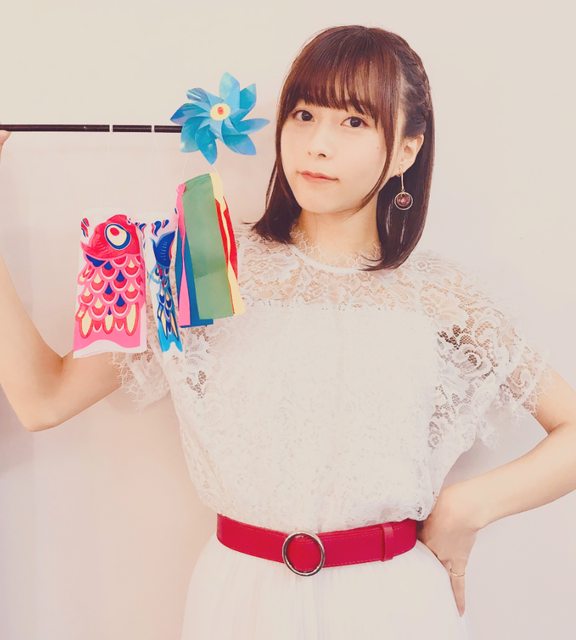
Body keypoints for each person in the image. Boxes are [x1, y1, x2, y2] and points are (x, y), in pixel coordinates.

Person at [1, 24, 575, 640]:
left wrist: (468, 508)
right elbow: (43, 398)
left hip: (396, 603)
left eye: (353, 121)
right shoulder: (201, 261)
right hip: (241, 602)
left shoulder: (441, 294)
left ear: (408, 150)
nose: (317, 145)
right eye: (304, 114)